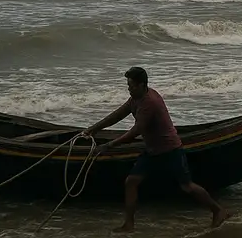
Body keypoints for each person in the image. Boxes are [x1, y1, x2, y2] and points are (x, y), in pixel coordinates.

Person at [84, 66, 231, 233]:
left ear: (141, 85)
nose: (128, 88)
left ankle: (218, 211)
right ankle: (129, 225)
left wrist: (110, 145)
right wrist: (93, 129)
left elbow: (136, 131)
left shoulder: (150, 102)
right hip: (152, 150)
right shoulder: (135, 98)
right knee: (131, 182)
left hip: (170, 150)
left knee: (187, 186)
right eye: (128, 85)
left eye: (131, 85)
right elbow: (118, 115)